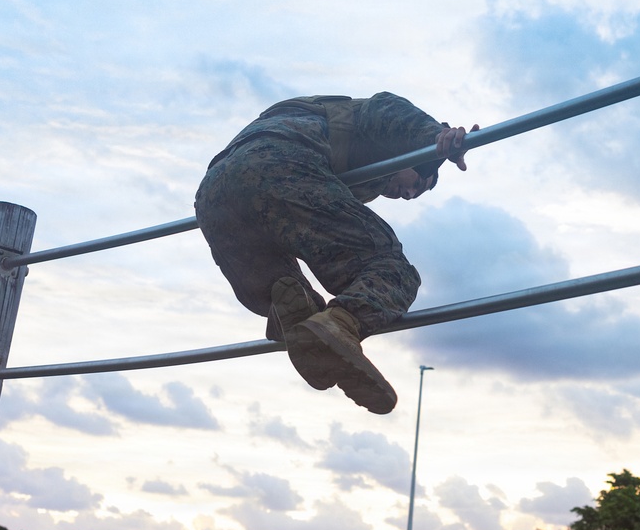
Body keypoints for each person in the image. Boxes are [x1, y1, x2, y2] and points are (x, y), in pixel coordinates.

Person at [194, 92, 478, 415]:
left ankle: (301, 324)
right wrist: (435, 140)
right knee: (391, 269)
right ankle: (340, 325)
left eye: (415, 195)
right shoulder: (372, 131)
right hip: (281, 162)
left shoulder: (318, 126)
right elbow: (384, 107)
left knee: (289, 293)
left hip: (213, 193)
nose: (410, 194)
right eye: (419, 182)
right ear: (410, 158)